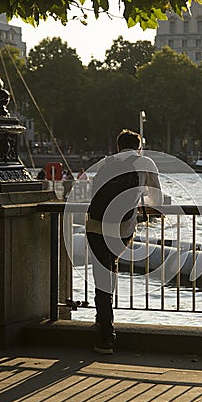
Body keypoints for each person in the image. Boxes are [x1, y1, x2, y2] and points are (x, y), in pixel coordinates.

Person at [87, 129, 162, 354]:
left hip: (94, 225)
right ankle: (106, 332)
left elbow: (93, 195)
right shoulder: (145, 162)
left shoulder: (104, 163)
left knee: (102, 275)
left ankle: (104, 333)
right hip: (121, 228)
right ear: (138, 147)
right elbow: (156, 199)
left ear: (118, 147)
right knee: (111, 271)